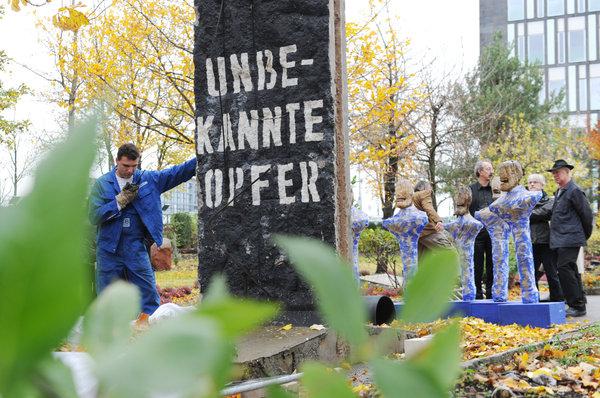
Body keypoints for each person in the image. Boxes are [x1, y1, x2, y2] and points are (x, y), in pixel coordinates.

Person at [89, 143, 197, 324]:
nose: (130, 170)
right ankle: (108, 335)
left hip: (135, 245)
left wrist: (202, 156)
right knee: (106, 297)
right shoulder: (102, 184)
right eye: (126, 166)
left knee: (148, 293)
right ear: (117, 161)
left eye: (134, 166)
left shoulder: (149, 179)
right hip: (109, 248)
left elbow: (177, 172)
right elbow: (93, 215)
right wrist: (117, 202)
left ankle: (150, 331)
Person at [547, 159, 594, 317]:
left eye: (558, 172)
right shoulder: (560, 191)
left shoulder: (574, 190)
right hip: (562, 239)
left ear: (567, 172)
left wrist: (583, 235)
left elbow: (586, 215)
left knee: (564, 267)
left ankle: (576, 306)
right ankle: (579, 302)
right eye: (554, 173)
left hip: (571, 238)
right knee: (570, 268)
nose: (555, 176)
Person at [527, 173, 564, 302]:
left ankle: (557, 299)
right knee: (531, 274)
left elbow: (544, 213)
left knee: (551, 272)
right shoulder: (524, 201)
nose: (532, 184)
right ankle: (533, 298)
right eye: (530, 182)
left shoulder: (550, 200)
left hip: (547, 242)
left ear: (542, 185)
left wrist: (526, 213)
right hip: (530, 242)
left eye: (535, 182)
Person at [469, 160, 495, 299]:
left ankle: (491, 293)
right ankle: (477, 293)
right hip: (477, 233)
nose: (491, 171)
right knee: (477, 264)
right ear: (480, 171)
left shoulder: (495, 189)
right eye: (488, 168)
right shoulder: (471, 189)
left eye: (491, 168)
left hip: (493, 232)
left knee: (492, 263)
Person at [412, 180, 453, 256]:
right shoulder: (424, 193)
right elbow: (429, 208)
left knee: (423, 261)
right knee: (451, 253)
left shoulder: (412, 197)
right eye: (429, 187)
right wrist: (438, 221)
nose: (431, 190)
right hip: (428, 231)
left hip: (415, 233)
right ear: (423, 187)